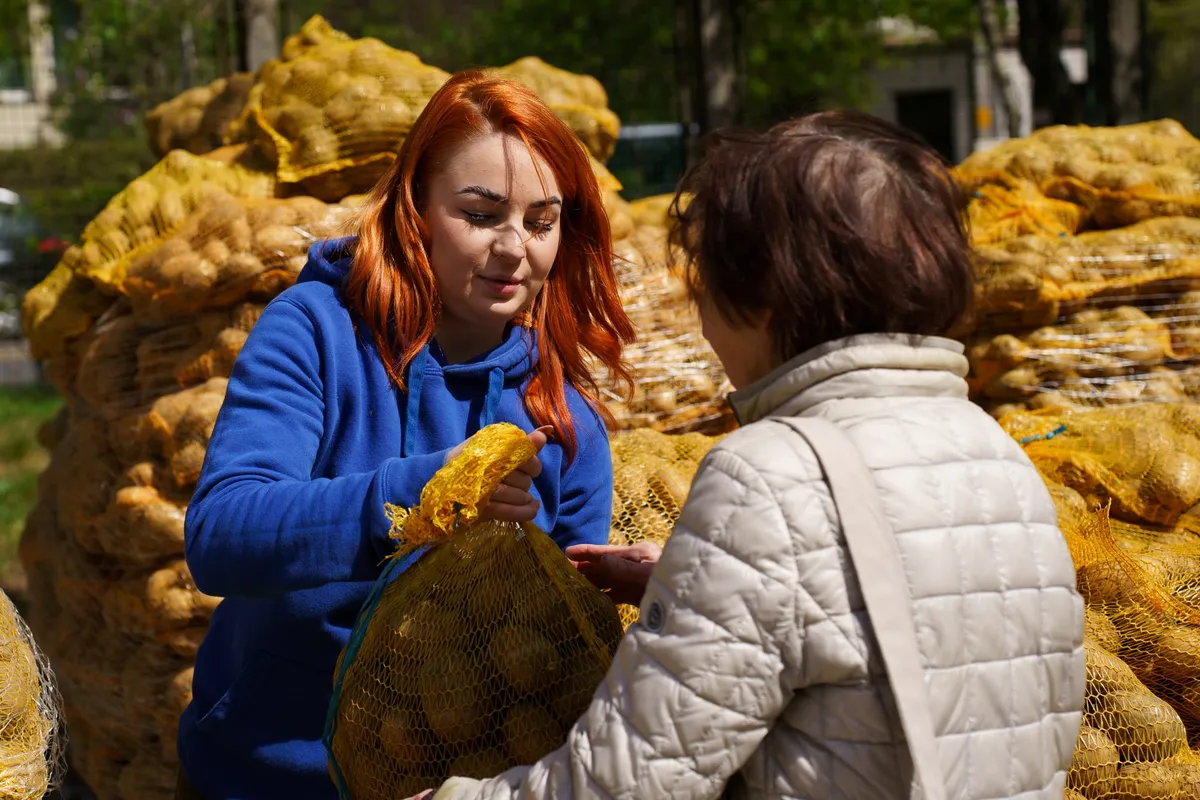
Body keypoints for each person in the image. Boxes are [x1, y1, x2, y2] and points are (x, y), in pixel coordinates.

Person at [416, 111, 1086, 799]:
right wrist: (704, 585)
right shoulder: (994, 450)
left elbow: (630, 784)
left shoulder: (770, 475)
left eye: (707, 282)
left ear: (764, 297)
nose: (702, 317)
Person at [176, 71, 634, 800]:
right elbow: (221, 537)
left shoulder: (563, 420)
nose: (516, 248)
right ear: (416, 208)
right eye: (481, 214)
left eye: (541, 221)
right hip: (268, 776)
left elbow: (564, 647)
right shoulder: (316, 332)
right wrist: (417, 497)